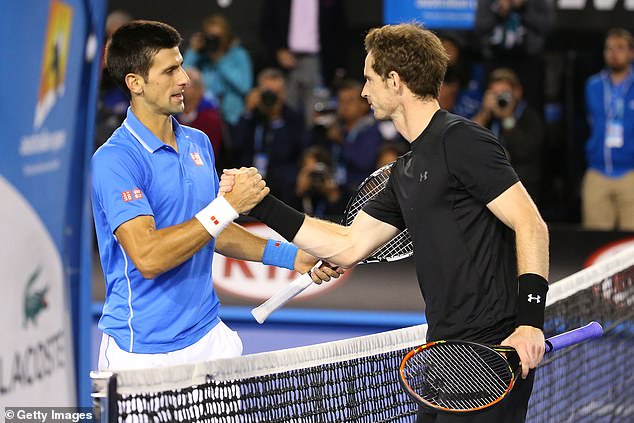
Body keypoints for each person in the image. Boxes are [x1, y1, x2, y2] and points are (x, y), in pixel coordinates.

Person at [222, 23, 549, 422]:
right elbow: (348, 245)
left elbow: (531, 225)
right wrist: (261, 203)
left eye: (369, 79)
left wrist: (530, 324)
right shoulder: (404, 173)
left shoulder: (463, 141)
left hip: (493, 351)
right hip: (444, 353)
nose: (363, 91)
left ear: (395, 81)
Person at [92, 20, 340, 371]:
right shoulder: (114, 160)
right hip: (142, 353)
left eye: (181, 65)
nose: (185, 80)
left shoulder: (198, 143)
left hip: (209, 338)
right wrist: (225, 207)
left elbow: (213, 229)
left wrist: (293, 256)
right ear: (136, 83)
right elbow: (148, 257)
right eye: (170, 70)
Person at [259, 0, 349, 124]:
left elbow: (339, 29)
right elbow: (265, 26)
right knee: (285, 112)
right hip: (284, 63)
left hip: (316, 62)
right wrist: (278, 51)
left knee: (316, 114)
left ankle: (314, 142)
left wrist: (339, 67)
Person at [581, 28, 634, 231]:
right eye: (609, 48)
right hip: (597, 171)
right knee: (594, 241)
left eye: (620, 48)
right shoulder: (593, 85)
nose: (614, 53)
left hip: (630, 173)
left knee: (630, 247)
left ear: (631, 53)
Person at [234, 68, 306, 208]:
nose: (271, 98)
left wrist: (276, 119)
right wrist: (248, 112)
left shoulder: (293, 119)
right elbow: (236, 144)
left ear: (283, 94)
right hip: (249, 179)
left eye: (276, 93)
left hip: (282, 185)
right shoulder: (252, 117)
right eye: (267, 93)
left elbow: (288, 152)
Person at [472, 68, 544, 205]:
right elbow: (464, 142)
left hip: (522, 190)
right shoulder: (488, 118)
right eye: (494, 94)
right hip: (488, 190)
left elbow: (524, 151)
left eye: (504, 93)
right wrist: (484, 114)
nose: (500, 98)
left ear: (517, 93)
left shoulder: (530, 118)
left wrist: (507, 119)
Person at [309, 79, 386, 203]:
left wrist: (341, 141)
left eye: (350, 101)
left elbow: (364, 161)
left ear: (364, 104)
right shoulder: (334, 128)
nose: (344, 106)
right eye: (341, 101)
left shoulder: (371, 130)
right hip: (330, 192)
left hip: (359, 196)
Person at [177, 67, 223, 161]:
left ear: (199, 90)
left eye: (186, 85)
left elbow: (209, 155)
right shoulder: (171, 115)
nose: (181, 88)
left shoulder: (210, 117)